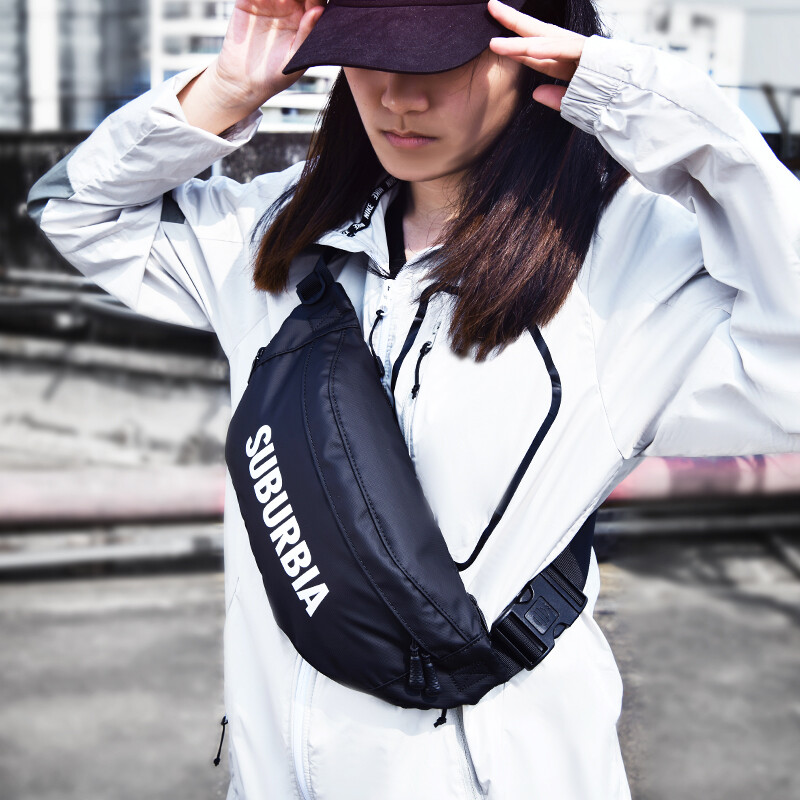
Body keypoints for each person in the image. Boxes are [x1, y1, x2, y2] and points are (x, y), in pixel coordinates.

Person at [27, 0, 800, 797]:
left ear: (533, 50)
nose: (399, 96)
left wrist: (661, 111)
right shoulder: (282, 234)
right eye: (367, 52)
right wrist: (227, 88)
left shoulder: (622, 267)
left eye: (438, 59)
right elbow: (78, 212)